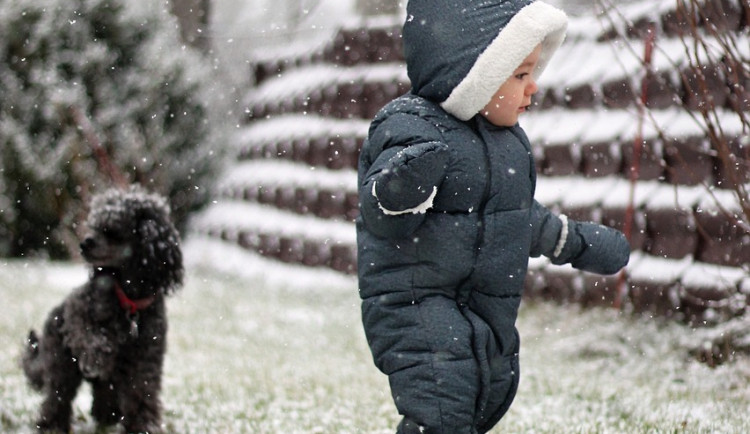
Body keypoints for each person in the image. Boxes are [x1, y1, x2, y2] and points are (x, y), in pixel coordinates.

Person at [355, 0, 631, 433]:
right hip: (415, 303)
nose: (533, 86)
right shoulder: (411, 128)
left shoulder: (506, 144)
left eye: (533, 72)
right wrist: (403, 185)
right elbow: (382, 213)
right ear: (470, 76)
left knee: (488, 391)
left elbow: (516, 217)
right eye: (520, 74)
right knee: (443, 405)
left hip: (485, 306)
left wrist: (572, 240)